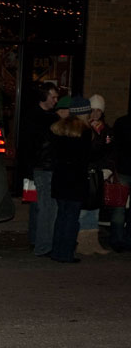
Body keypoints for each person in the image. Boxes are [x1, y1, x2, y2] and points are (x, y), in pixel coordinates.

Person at [49, 97, 94, 263]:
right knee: (71, 218)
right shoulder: (85, 132)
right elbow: (87, 157)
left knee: (61, 217)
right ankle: (66, 253)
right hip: (76, 179)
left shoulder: (58, 128)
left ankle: (57, 251)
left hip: (60, 178)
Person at [19, 82, 59, 255]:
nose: (55, 101)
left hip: (35, 167)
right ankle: (43, 245)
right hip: (44, 167)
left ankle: (36, 239)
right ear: (44, 97)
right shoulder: (47, 119)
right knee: (47, 207)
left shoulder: (31, 116)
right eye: (53, 97)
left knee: (37, 206)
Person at [76, 94, 112, 255]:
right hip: (85, 173)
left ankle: (92, 241)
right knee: (84, 208)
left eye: (99, 110)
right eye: (93, 110)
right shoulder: (85, 128)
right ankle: (82, 242)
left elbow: (110, 152)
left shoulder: (105, 130)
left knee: (95, 208)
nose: (96, 113)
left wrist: (107, 168)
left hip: (98, 173)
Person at [109, 112, 131, 251]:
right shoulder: (121, 123)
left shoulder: (121, 122)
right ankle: (125, 240)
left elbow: (114, 146)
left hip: (122, 169)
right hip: (123, 169)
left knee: (119, 207)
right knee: (119, 207)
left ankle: (117, 240)